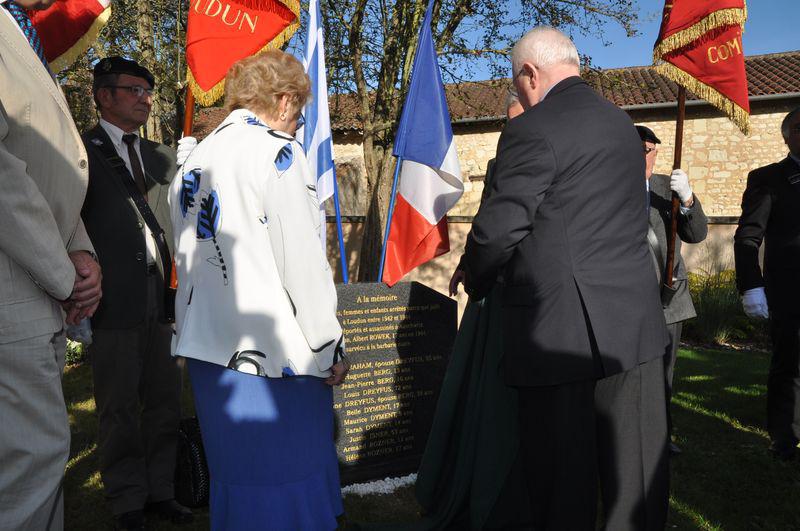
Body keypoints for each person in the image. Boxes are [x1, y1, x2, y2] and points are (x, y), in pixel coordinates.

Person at [461, 27, 670, 530]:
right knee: (635, 477)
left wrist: (477, 277)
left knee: (561, 480)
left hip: (559, 332)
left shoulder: (533, 129)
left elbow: (499, 229)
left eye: (517, 81)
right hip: (634, 326)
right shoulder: (622, 125)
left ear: (530, 73)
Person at [169, 49, 348, 531]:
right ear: (285, 100)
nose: (299, 122)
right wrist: (329, 345)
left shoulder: (192, 159)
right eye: (300, 110)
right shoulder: (278, 153)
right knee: (286, 483)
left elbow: (184, 257)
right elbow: (303, 265)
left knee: (240, 478)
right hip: (276, 359)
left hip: (208, 354)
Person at [0, 1, 103, 529]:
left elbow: (42, 165)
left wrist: (78, 248)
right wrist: (64, 278)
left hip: (31, 279)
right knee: (28, 470)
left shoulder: (19, 31)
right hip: (14, 284)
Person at [80, 57, 192, 530]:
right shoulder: (79, 151)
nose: (146, 99)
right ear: (104, 96)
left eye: (148, 91)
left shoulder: (160, 155)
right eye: (135, 90)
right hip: (113, 293)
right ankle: (127, 498)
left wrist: (191, 167)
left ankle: (162, 490)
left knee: (165, 399)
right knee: (119, 403)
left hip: (161, 290)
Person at [413, 96, 529, 530]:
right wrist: (466, 263)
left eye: (521, 120)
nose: (512, 130)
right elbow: (488, 220)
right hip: (493, 291)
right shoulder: (501, 163)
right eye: (508, 122)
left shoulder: (550, 155)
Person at [637, 125, 708, 455]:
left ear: (656, 152)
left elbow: (697, 234)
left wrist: (689, 199)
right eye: (634, 149)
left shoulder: (668, 188)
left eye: (646, 150)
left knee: (664, 372)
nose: (641, 156)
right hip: (627, 298)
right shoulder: (611, 186)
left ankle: (661, 436)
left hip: (668, 297)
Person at [734, 107, 800, 461]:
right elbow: (748, 236)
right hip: (791, 289)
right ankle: (785, 437)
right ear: (787, 136)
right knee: (790, 365)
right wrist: (751, 285)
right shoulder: (769, 178)